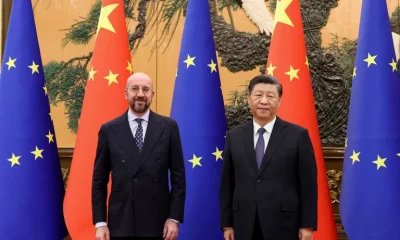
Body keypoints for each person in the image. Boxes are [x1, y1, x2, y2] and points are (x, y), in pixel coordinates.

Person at [219, 74, 317, 240]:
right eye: (258, 95)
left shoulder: (297, 135)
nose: (264, 101)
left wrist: (307, 225)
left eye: (270, 96)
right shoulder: (234, 136)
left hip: (284, 223)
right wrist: (227, 224)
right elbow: (228, 183)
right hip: (244, 222)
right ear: (249, 98)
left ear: (279, 101)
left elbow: (308, 184)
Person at [92, 72, 186, 240]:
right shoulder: (109, 130)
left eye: (146, 89)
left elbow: (179, 178)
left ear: (152, 95)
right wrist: (100, 223)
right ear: (126, 93)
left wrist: (173, 218)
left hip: (158, 223)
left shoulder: (169, 127)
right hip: (121, 222)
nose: (140, 94)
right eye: (135, 89)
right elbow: (99, 181)